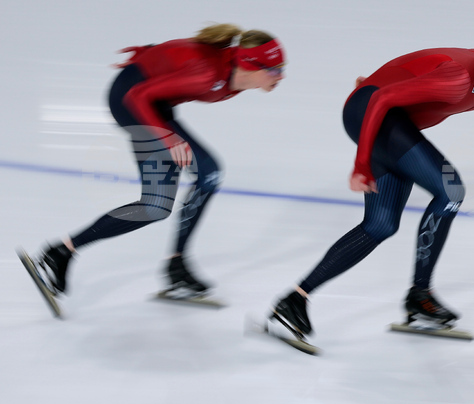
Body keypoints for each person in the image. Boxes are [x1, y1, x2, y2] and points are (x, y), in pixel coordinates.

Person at [267, 23, 474, 343]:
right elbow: (383, 98)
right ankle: (420, 296)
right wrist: (361, 164)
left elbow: (410, 75)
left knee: (380, 225)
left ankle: (294, 300)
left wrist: (376, 83)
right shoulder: (460, 77)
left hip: (389, 121)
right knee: (451, 190)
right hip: (373, 113)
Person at [21, 24, 285, 312]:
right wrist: (168, 138)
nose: (280, 76)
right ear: (248, 64)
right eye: (273, 70)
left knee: (155, 205)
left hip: (154, 101)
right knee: (208, 172)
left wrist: (150, 57)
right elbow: (138, 96)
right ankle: (177, 266)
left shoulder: (235, 73)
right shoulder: (209, 75)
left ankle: (60, 253)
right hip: (132, 100)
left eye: (281, 68)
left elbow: (177, 58)